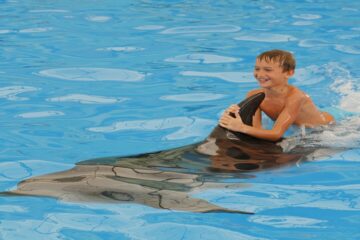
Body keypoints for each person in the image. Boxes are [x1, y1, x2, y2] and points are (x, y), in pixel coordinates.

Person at [219, 49, 334, 142]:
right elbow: (256, 130)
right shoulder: (254, 95)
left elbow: (276, 134)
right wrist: (235, 116)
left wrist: (241, 127)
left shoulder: (295, 98)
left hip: (325, 127)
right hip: (297, 125)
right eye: (257, 69)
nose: (260, 74)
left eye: (268, 70)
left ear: (289, 73)